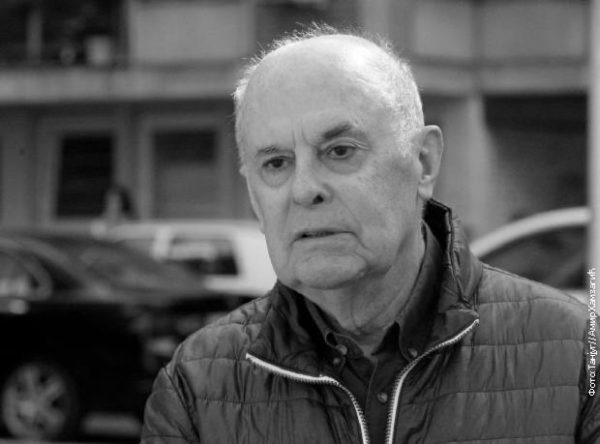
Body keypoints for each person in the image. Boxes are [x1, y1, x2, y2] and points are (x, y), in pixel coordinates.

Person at [141, 27, 599, 443]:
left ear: (423, 162)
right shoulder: (195, 387)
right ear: (254, 198)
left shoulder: (579, 353)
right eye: (276, 163)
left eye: (340, 151)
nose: (304, 189)